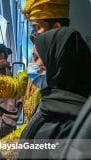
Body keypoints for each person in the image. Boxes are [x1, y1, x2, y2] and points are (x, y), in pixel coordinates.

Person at [0, 0, 73, 158]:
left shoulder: (67, 75)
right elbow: (17, 86)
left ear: (56, 28)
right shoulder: (40, 64)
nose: (33, 35)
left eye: (37, 27)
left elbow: (37, 131)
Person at [17, 27, 91, 159]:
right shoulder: (49, 104)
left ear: (57, 62)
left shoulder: (70, 124)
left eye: (35, 58)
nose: (31, 64)